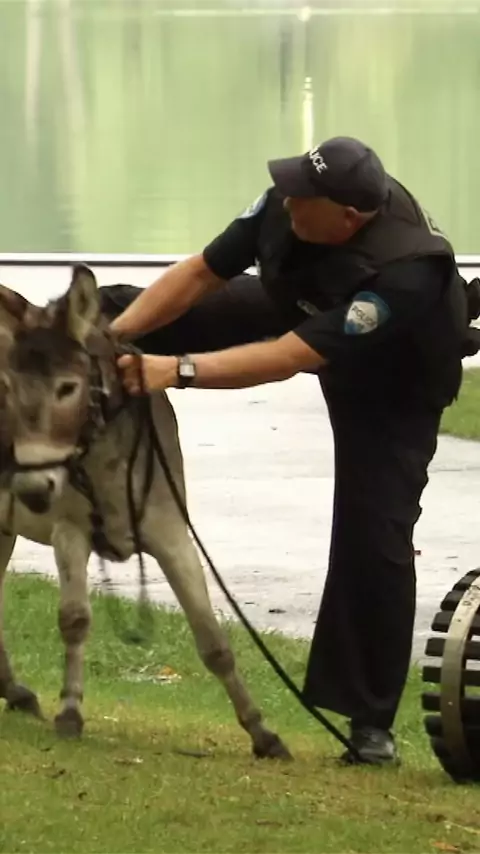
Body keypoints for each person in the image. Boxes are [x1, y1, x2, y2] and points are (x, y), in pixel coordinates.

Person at [100, 136, 470, 766]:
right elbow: (202, 272)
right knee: (121, 308)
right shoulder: (289, 201)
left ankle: (370, 726)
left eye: (304, 195)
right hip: (305, 303)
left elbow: (290, 357)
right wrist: (115, 334)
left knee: (374, 531)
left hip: (394, 381)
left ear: (348, 217)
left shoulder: (406, 272)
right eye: (293, 184)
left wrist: (175, 371)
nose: (288, 197)